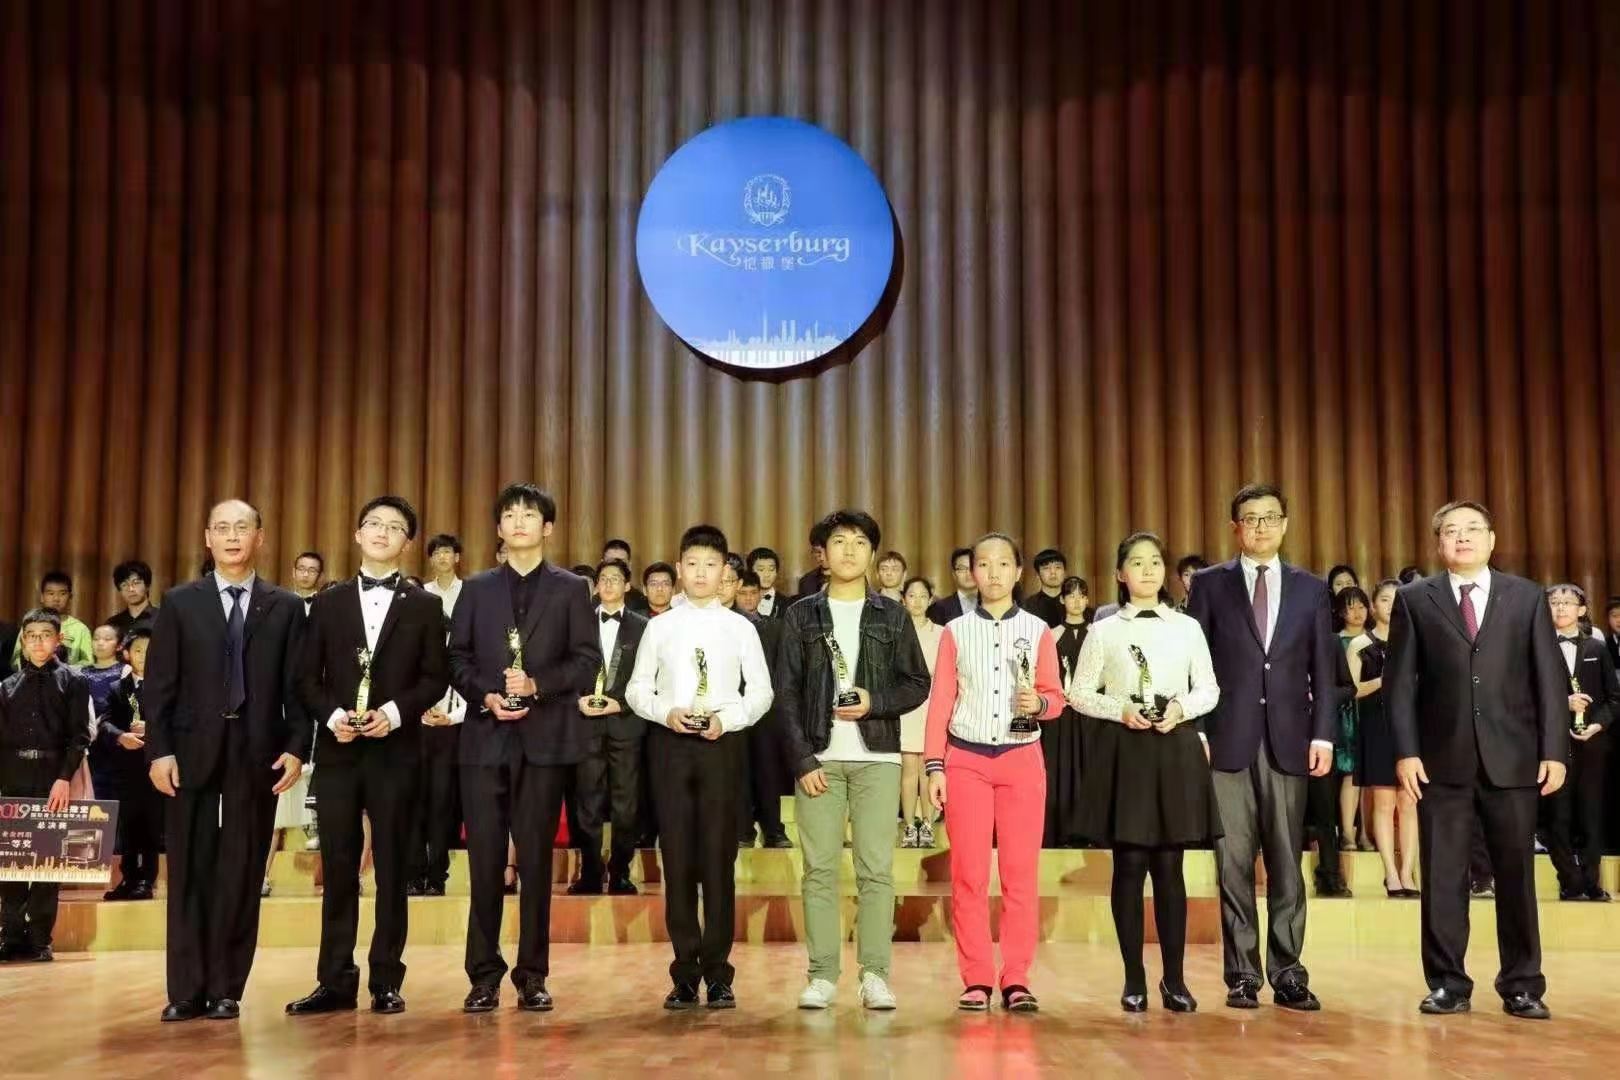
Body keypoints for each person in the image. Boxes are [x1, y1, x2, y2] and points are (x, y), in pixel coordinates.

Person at [1385, 500, 1568, 1021]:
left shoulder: (1526, 596)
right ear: (1438, 542)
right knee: (1442, 877)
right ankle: (1447, 983)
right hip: (1439, 761)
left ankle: (1522, 984)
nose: (1462, 537)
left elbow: (1549, 679)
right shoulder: (1415, 600)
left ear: (1491, 539)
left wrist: (1554, 750)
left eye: (1472, 529)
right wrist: (1406, 751)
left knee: (1516, 877)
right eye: (1451, 530)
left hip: (1515, 759)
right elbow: (1399, 686)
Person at [144, 499, 310, 1022]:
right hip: (190, 751)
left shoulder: (285, 606)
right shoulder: (179, 603)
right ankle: (185, 989)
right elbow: (159, 686)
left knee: (242, 869)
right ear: (207, 538)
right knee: (189, 869)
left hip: (258, 751)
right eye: (222, 528)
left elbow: (298, 687)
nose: (232, 536)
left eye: (242, 528)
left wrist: (297, 747)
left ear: (260, 537)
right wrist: (159, 751)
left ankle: (226, 988)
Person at [286, 496, 449, 1017]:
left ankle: (385, 980)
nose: (382, 532)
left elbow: (435, 677)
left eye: (394, 526)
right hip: (339, 751)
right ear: (357, 534)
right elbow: (306, 678)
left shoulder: (425, 606)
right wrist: (333, 716)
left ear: (408, 542)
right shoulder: (327, 602)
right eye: (373, 524)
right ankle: (334, 980)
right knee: (338, 867)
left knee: (394, 868)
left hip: (396, 751)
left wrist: (394, 714)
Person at [448, 483, 600, 1013]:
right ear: (498, 528)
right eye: (509, 514)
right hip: (484, 741)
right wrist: (486, 694)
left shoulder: (571, 589)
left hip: (545, 741)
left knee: (535, 863)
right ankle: (483, 975)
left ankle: (533, 974)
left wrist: (538, 686)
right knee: (485, 863)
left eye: (529, 514)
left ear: (547, 527)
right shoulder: (476, 588)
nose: (518, 522)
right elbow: (457, 658)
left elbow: (587, 661)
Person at [1186, 483, 1336, 1012]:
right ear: (1236, 528)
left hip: (1290, 741)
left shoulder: (1311, 589)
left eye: (1271, 517)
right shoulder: (1209, 585)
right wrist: (1197, 731)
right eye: (1250, 519)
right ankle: (1243, 974)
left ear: (1285, 524)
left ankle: (1289, 971)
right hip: (1226, 741)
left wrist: (1323, 734)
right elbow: (1195, 663)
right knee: (1232, 861)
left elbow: (1325, 670)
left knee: (1287, 861)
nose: (1261, 527)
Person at [775, 510, 930, 1011]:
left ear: (872, 553)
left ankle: (875, 975)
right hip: (819, 760)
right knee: (819, 870)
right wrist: (802, 759)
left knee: (876, 870)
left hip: (878, 758)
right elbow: (786, 693)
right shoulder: (801, 615)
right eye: (839, 541)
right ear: (822, 553)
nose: (849, 550)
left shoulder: (893, 615)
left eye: (860, 542)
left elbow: (917, 683)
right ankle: (822, 975)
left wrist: (874, 701)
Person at [625, 524, 772, 1010]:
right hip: (671, 746)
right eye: (692, 564)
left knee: (718, 861)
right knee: (678, 861)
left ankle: (719, 972)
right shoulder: (660, 627)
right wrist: (665, 712)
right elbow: (637, 688)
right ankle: (684, 972)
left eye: (711, 565)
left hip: (721, 746)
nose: (701, 573)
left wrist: (727, 720)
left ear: (725, 570)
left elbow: (762, 692)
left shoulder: (741, 628)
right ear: (679, 568)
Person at [1072, 533, 1220, 1012]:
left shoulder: (1187, 627)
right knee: (1130, 865)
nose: (1148, 570)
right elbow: (1079, 693)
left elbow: (1209, 689)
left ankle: (1174, 980)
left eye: (1155, 561)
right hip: (1128, 750)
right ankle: (1133, 977)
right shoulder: (1104, 631)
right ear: (1121, 574)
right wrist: (1120, 710)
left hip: (1174, 746)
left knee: (1171, 867)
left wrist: (1180, 708)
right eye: (1137, 563)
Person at [924, 533, 1063, 1013]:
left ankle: (1017, 977)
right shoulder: (955, 632)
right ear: (972, 573)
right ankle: (977, 978)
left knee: (1020, 875)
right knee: (969, 874)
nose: (994, 573)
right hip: (966, 761)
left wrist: (1039, 702)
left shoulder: (1038, 630)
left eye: (1004, 563)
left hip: (1022, 760)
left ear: (1018, 571)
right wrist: (934, 765)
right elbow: (942, 700)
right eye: (984, 564)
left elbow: (1056, 698)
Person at [0, 609, 92, 962]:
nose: (38, 642)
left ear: (58, 639)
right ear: (23, 641)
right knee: (11, 859)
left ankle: (40, 938)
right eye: (31, 636)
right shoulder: (6, 686)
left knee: (48, 859)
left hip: (55, 777)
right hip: (13, 776)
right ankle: (10, 936)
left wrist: (63, 779)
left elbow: (79, 737)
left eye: (45, 635)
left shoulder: (73, 681)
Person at [569, 558, 649, 895]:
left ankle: (620, 872)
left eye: (616, 578)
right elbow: (565, 666)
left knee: (626, 804)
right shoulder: (578, 622)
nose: (609, 584)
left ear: (627, 585)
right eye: (603, 578)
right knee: (587, 802)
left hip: (626, 724)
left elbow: (651, 676)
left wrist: (623, 704)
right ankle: (590, 872)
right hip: (585, 723)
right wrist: (577, 700)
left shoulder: (644, 627)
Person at [1538, 584, 1617, 902]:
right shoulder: (1537, 647)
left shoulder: (1597, 648)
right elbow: (1525, 696)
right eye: (1554, 602)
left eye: (1568, 603)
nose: (1560, 608)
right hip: (1553, 744)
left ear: (1582, 610)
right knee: (1557, 816)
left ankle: (1591, 880)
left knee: (1591, 814)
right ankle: (1568, 879)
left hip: (1592, 744)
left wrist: (1597, 724)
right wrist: (1563, 703)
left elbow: (1614, 698)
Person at [1349, 580, 1418, 896]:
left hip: (1411, 728)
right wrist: (1384, 680)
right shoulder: (1360, 644)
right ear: (1374, 606)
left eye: (1397, 599)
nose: (1391, 605)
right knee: (1384, 802)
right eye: (1385, 600)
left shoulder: (1413, 641)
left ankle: (1408, 873)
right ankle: (1390, 873)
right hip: (1376, 727)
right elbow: (1352, 690)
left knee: (1409, 802)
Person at [99, 626, 161, 902]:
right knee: (127, 824)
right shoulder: (117, 688)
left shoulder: (167, 686)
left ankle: (146, 878)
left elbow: (182, 722)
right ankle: (128, 878)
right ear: (126, 653)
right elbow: (105, 723)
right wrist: (121, 736)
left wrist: (152, 729)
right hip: (125, 768)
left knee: (151, 823)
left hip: (155, 766)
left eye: (149, 651)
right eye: (137, 650)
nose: (143, 656)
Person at [1045, 576, 1090, 848]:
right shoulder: (1051, 635)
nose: (1076, 601)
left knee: (1088, 768)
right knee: (1058, 769)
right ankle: (1059, 831)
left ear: (1087, 599)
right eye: (1070, 595)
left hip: (1089, 715)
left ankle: (1088, 831)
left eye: (1081, 595)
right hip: (1059, 714)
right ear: (1062, 599)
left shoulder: (1096, 633)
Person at [898, 577, 942, 847]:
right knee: (908, 770)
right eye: (912, 595)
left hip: (931, 706)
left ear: (931, 599)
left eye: (922, 596)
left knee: (928, 768)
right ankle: (909, 825)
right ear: (903, 599)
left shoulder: (942, 633)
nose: (917, 601)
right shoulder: (896, 631)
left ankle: (927, 824)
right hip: (905, 706)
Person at [12, 571, 93, 668]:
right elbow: (15, 661)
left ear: (70, 597)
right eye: (50, 593)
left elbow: (88, 663)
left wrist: (63, 669)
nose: (56, 599)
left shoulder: (80, 629)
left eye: (62, 594)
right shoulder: (30, 625)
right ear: (42, 597)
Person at [926, 547, 979, 626]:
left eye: (972, 567)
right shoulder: (938, 608)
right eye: (962, 568)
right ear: (954, 574)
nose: (968, 573)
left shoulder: (993, 603)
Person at [107, 560, 159, 637]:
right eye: (124, 585)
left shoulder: (162, 618)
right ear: (120, 590)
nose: (131, 589)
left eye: (136, 583)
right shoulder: (112, 624)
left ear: (147, 586)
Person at [603, 539, 651, 615]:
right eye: (611, 562)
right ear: (601, 564)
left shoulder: (642, 602)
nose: (616, 567)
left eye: (621, 562)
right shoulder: (589, 599)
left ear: (629, 566)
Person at [1024, 548, 1069, 628]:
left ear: (1065, 572)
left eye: (1058, 567)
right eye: (1046, 568)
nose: (1053, 572)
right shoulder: (1027, 607)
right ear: (1037, 575)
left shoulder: (1077, 604)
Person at [746, 547, 786, 618]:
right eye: (761, 570)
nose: (767, 575)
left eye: (771, 569)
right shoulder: (740, 600)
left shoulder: (786, 603)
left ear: (776, 572)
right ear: (750, 572)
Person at [796, 524, 831, 600]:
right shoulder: (806, 581)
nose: (822, 557)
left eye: (827, 551)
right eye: (817, 552)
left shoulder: (852, 578)